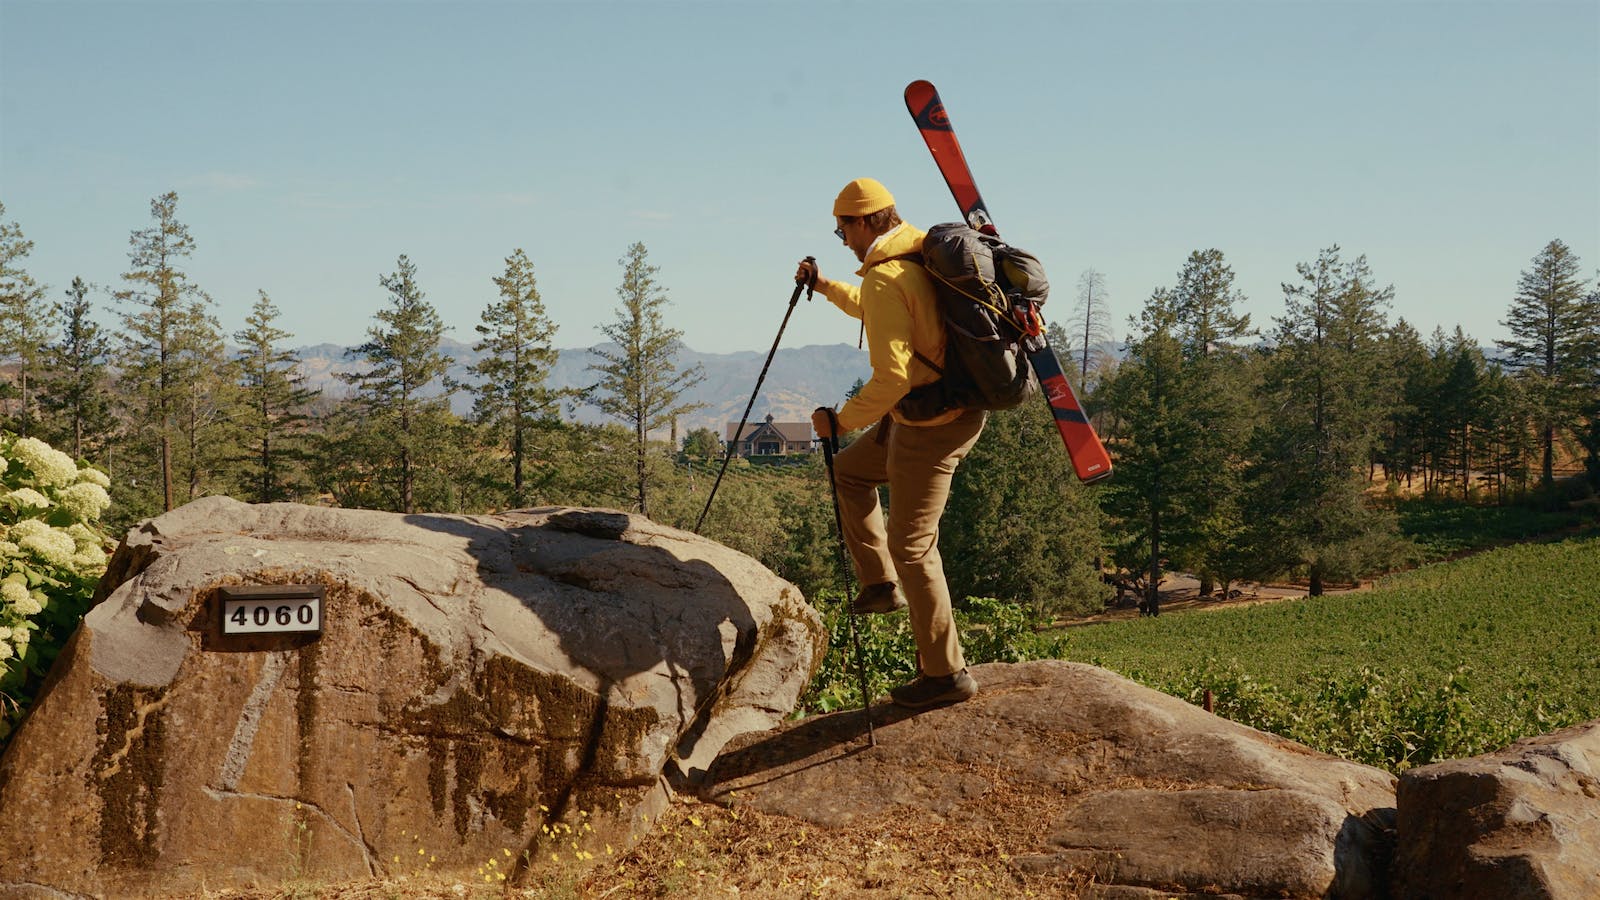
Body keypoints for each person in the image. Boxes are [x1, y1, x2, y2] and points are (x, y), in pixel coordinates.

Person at [795, 177, 985, 710]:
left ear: (863, 221)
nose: (842, 238)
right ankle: (879, 585)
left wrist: (840, 421)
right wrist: (826, 285)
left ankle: (945, 675)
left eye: (842, 230)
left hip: (929, 426)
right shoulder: (917, 255)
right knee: (850, 473)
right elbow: (876, 309)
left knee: (914, 547)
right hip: (929, 412)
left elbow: (893, 377)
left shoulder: (887, 276)